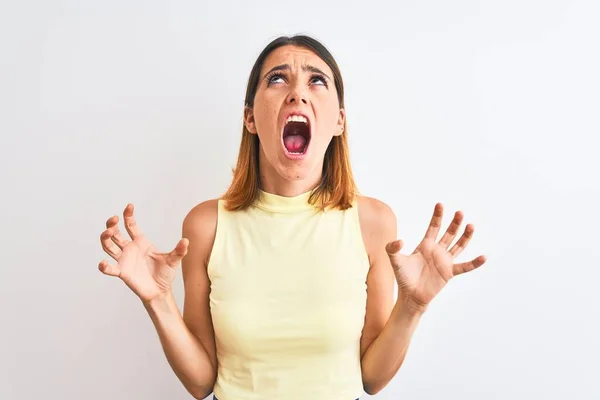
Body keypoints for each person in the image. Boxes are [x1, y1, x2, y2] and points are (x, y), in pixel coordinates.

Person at [98, 35, 487, 400]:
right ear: (250, 119)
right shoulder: (205, 226)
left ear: (339, 121)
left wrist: (412, 307)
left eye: (317, 80)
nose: (297, 92)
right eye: (278, 79)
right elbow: (201, 382)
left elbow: (371, 378)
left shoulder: (373, 222)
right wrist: (159, 300)